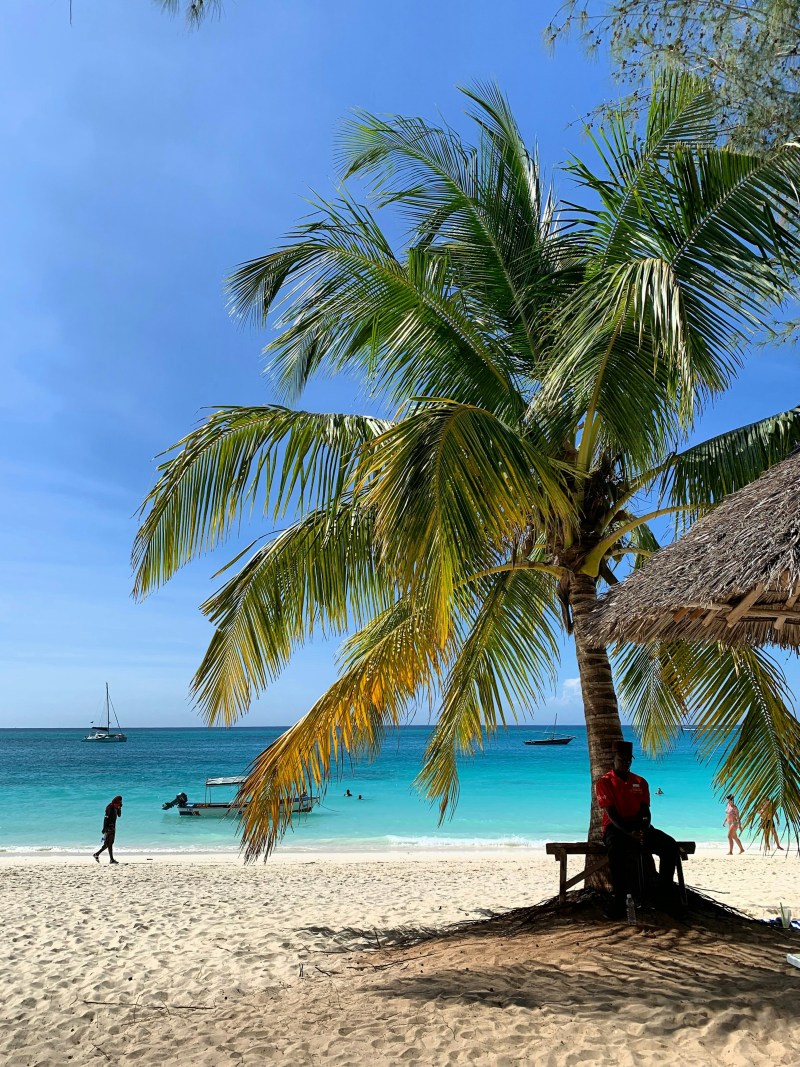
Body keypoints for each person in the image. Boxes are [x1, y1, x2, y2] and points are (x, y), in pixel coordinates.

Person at [595, 740, 680, 917]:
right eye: (621, 759)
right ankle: (619, 902)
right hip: (615, 828)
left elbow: (645, 811)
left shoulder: (640, 782)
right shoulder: (604, 782)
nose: (625, 763)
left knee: (670, 846)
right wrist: (629, 833)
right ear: (614, 759)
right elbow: (611, 813)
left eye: (628, 760)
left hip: (638, 826)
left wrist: (643, 829)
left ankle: (663, 897)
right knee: (615, 851)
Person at [93, 795, 122, 864]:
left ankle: (97, 854)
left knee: (107, 844)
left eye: (121, 801)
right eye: (119, 801)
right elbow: (105, 818)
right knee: (110, 843)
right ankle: (111, 859)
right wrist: (104, 828)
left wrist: (119, 808)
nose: (120, 802)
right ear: (116, 801)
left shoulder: (116, 807)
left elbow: (119, 815)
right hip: (109, 827)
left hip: (113, 827)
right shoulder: (110, 807)